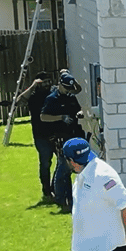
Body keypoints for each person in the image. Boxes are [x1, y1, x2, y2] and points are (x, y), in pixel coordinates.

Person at [39, 70, 86, 211]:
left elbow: (78, 106)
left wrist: (80, 113)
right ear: (60, 85)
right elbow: (43, 117)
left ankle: (67, 197)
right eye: (66, 88)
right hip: (62, 137)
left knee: (68, 168)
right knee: (63, 168)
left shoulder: (70, 96)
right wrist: (60, 117)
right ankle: (61, 198)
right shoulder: (52, 99)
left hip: (75, 135)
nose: (68, 90)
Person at [15, 71, 54, 199]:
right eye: (45, 82)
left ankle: (56, 187)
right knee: (45, 163)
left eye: (49, 81)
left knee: (63, 162)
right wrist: (32, 86)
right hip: (40, 135)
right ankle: (46, 190)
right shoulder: (33, 96)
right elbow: (18, 102)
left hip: (56, 132)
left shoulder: (53, 93)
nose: (48, 84)